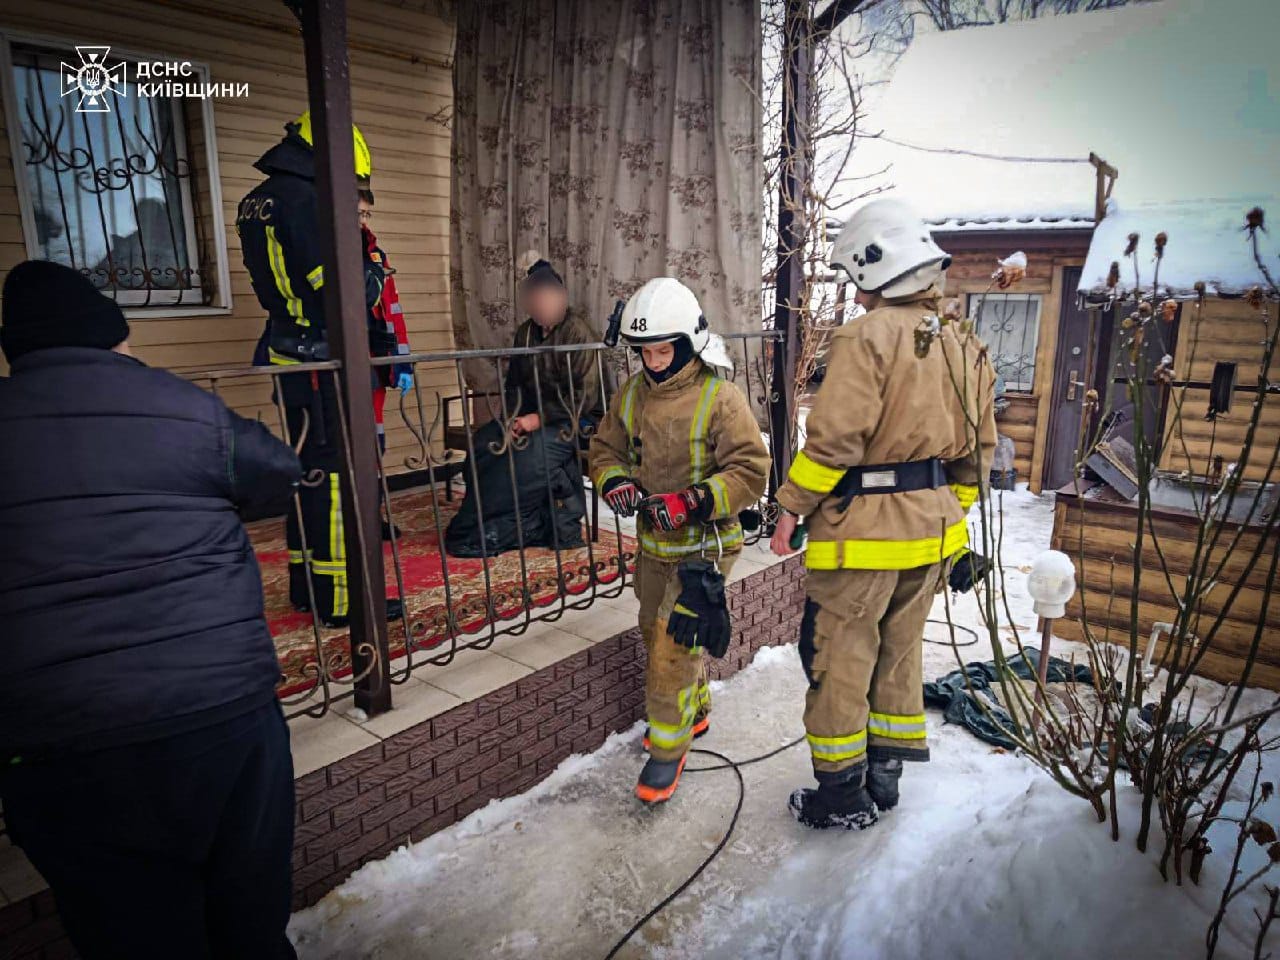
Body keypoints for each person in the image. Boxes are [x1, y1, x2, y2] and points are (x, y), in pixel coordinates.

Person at [0, 259, 303, 958]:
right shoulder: (180, 406)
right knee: (252, 930)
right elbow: (279, 474)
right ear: (116, 337)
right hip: (225, 714)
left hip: (65, 745)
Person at [770, 198, 997, 830]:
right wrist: (949, 516)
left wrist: (790, 508)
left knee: (839, 660)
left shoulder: (866, 337)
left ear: (875, 268)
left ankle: (842, 796)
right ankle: (884, 778)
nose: (855, 293)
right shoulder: (963, 342)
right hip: (933, 535)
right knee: (898, 656)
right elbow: (979, 453)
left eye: (854, 279)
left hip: (862, 538)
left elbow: (834, 443)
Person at [589, 277, 770, 804]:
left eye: (664, 351)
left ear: (689, 345)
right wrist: (614, 481)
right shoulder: (632, 395)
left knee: (673, 644)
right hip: (655, 544)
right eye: (644, 352)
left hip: (706, 545)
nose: (653, 362)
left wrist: (692, 501)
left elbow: (751, 470)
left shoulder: (720, 398)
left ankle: (667, 750)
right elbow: (604, 449)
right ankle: (695, 709)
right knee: (654, 629)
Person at [237, 110, 402, 626]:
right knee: (336, 477)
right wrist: (373, 269)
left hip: (287, 354)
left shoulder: (258, 199)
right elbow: (343, 293)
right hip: (323, 360)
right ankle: (342, 598)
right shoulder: (308, 202)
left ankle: (306, 585)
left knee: (305, 470)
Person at [443, 255, 601, 557]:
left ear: (561, 299)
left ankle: (520, 525)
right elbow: (514, 384)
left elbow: (585, 396)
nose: (541, 306)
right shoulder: (526, 333)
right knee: (486, 443)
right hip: (529, 417)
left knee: (526, 458)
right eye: (535, 300)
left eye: (547, 299)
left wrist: (537, 419)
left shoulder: (577, 332)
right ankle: (479, 523)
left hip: (571, 422)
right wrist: (512, 420)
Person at [359, 188, 413, 541]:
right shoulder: (322, 249)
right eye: (357, 213)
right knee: (346, 446)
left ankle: (372, 516)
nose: (362, 221)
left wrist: (402, 362)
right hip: (338, 361)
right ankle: (351, 520)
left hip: (374, 361)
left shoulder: (375, 254)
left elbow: (392, 311)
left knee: (374, 443)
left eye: (366, 214)